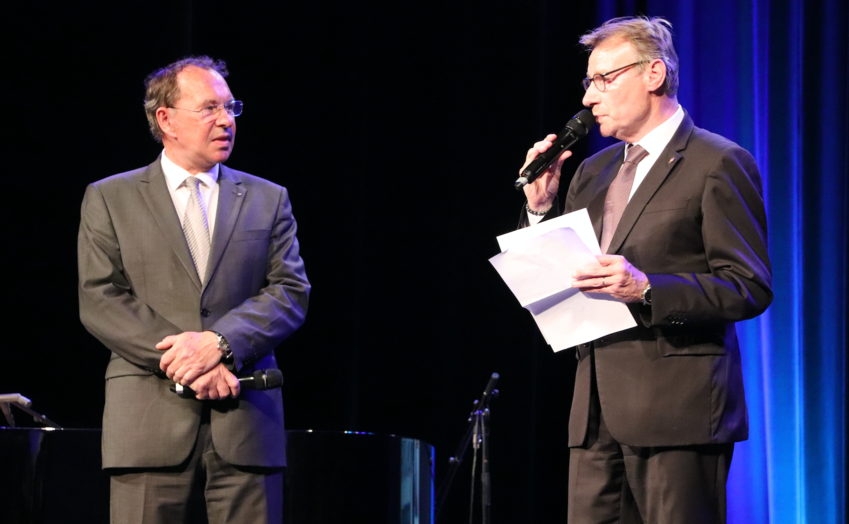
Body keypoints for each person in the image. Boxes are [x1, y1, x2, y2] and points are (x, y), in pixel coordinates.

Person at [518, 17, 772, 524]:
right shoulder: (592, 171)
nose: (590, 98)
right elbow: (561, 279)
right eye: (589, 83)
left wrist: (648, 287)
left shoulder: (717, 162)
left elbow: (748, 286)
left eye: (604, 80)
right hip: (593, 416)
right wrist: (540, 211)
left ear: (653, 74)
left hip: (678, 412)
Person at [78, 56, 310, 523]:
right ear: (165, 119)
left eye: (231, 108)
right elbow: (101, 298)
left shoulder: (269, 198)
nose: (226, 120)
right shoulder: (110, 197)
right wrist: (189, 361)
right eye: (209, 108)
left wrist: (220, 343)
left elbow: (289, 291)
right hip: (147, 424)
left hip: (246, 421)